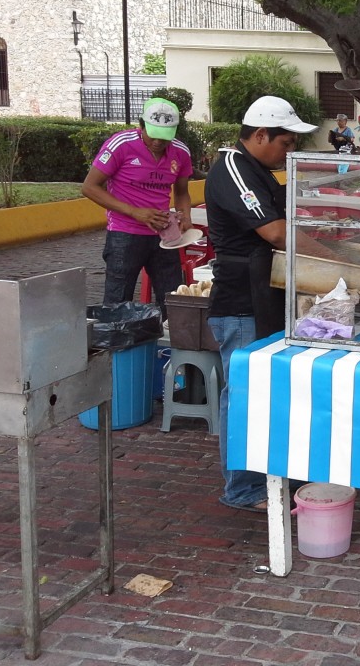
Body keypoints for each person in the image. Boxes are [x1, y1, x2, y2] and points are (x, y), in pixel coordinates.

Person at [204, 95, 320, 512]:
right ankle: (243, 488)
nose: (289, 151)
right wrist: (330, 255)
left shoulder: (261, 171)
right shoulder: (233, 169)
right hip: (240, 301)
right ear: (260, 134)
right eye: (286, 143)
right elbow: (274, 232)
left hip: (267, 294)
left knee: (268, 390)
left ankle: (271, 473)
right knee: (244, 394)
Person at [82, 97, 193, 308]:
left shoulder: (181, 152)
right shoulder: (121, 145)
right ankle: (116, 338)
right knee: (118, 300)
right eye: (153, 135)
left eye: (165, 136)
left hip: (164, 234)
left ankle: (171, 337)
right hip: (125, 233)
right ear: (141, 125)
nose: (158, 142)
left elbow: (181, 193)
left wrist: (185, 216)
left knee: (172, 298)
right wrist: (135, 212)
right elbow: (90, 187)